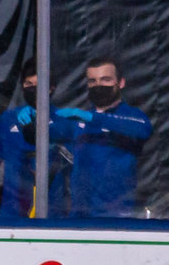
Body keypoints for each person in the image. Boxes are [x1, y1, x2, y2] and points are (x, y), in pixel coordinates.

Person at [65, 55, 152, 217]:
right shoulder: (78, 120)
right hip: (79, 217)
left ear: (121, 83)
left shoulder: (133, 116)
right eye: (93, 81)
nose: (99, 86)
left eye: (106, 80)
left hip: (118, 218)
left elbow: (143, 130)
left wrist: (92, 118)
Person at [0, 59, 65, 217]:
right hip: (11, 214)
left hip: (52, 215)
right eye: (28, 84)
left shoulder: (63, 121)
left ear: (51, 88)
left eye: (39, 84)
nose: (33, 89)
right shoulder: (8, 119)